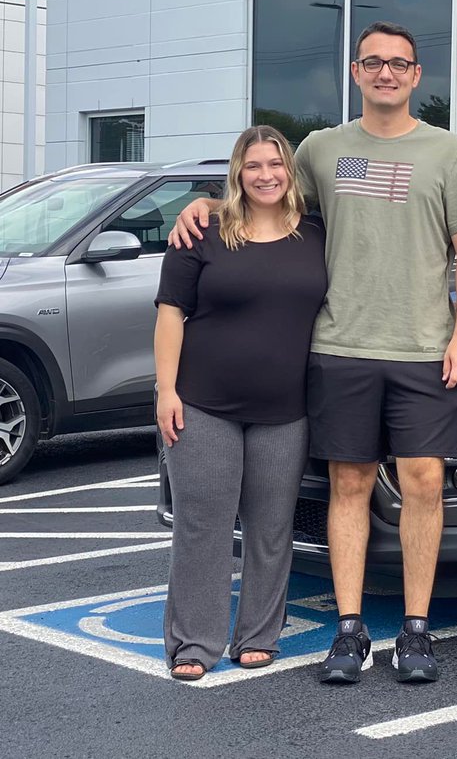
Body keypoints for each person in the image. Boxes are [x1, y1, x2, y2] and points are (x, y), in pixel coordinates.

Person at [169, 22, 457, 685]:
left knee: (424, 483)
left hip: (424, 348)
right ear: (356, 71)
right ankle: (349, 633)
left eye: (399, 64)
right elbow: (268, 198)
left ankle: (416, 631)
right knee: (350, 483)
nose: (386, 74)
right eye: (374, 62)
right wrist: (204, 200)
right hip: (339, 346)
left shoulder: (449, 152)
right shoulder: (321, 148)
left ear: (417, 76)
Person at [154, 125, 327, 682]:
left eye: (275, 164)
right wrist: (165, 390)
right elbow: (169, 313)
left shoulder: (318, 235)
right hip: (202, 404)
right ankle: (194, 643)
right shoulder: (202, 232)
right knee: (202, 526)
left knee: (272, 527)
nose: (266, 175)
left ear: (290, 171)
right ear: (237, 173)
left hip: (286, 408)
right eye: (253, 165)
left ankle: (258, 634)